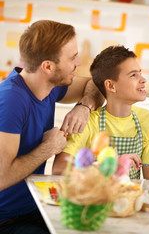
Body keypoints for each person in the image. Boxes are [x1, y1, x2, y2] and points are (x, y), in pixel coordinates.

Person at [0, 20, 104, 233]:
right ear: (47, 66)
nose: (79, 61)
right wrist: (49, 148)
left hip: (34, 204)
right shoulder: (11, 101)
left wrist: (83, 106)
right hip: (7, 219)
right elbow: (2, 178)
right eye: (72, 57)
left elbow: (96, 84)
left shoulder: (48, 86)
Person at [53, 45, 149, 180]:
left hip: (129, 198)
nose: (143, 79)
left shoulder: (147, 119)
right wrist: (108, 167)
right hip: (95, 198)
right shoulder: (89, 122)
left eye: (140, 73)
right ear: (111, 85)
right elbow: (59, 169)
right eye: (134, 75)